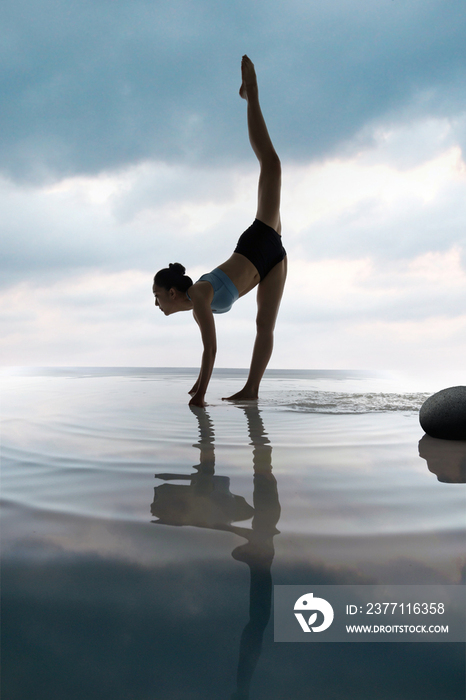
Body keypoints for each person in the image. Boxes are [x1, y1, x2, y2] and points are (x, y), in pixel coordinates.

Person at [153, 55, 287, 408]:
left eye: (156, 296)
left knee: (271, 165)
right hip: (273, 261)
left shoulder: (199, 296)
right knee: (264, 327)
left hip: (259, 243)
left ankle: (251, 95)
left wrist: (200, 395)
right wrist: (198, 383)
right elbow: (208, 351)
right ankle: (252, 389)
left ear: (171, 292)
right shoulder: (198, 301)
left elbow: (211, 348)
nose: (155, 303)